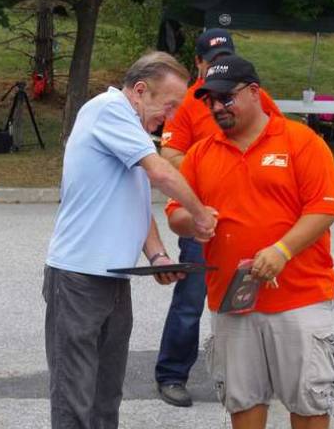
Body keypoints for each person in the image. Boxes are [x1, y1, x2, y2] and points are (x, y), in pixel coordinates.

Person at [166, 54, 334, 429]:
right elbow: (176, 214)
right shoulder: (200, 153)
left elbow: (324, 208)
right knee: (242, 399)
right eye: (209, 100)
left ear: (253, 93)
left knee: (309, 401)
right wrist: (194, 221)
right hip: (232, 303)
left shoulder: (301, 141)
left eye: (224, 98)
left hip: (299, 298)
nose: (216, 107)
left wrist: (282, 251)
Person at [43, 51, 217, 429]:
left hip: (114, 278)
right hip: (77, 277)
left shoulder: (133, 130)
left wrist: (156, 256)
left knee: (107, 394)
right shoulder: (108, 109)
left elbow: (134, 201)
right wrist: (200, 213)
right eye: (169, 106)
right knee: (74, 395)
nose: (170, 118)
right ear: (140, 90)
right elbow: (161, 174)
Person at [155, 28, 283, 407]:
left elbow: (276, 137)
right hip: (203, 216)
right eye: (210, 60)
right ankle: (172, 374)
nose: (216, 65)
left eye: (224, 57)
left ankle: (255, 376)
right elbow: (169, 158)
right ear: (197, 63)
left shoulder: (256, 96)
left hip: (252, 215)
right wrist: (214, 160)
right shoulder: (190, 103)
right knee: (192, 298)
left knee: (258, 298)